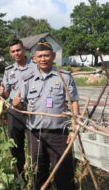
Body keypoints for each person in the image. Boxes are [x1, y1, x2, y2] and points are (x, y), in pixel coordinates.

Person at [13, 38, 79, 190]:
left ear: (53, 56)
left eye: (47, 55)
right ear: (34, 58)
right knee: (39, 175)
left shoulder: (64, 77)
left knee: (64, 176)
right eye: (40, 56)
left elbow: (74, 101)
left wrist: (74, 127)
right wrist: (17, 104)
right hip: (35, 134)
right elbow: (22, 106)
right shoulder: (27, 79)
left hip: (60, 135)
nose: (43, 59)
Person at [0, 39, 35, 178]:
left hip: (32, 112)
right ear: (10, 53)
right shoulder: (9, 71)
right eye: (13, 51)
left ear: (24, 49)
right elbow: (6, 93)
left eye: (18, 50)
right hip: (15, 113)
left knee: (34, 148)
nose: (16, 53)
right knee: (16, 147)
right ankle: (20, 178)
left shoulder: (36, 67)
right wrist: (2, 93)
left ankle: (36, 177)